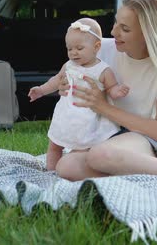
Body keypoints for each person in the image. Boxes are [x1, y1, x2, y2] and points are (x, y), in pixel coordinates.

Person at [52, 0, 157, 183]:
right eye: (116, 23)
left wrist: (103, 107)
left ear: (147, 34)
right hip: (104, 133)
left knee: (100, 155)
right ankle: (141, 174)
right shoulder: (101, 49)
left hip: (141, 139)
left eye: (125, 29)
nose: (113, 32)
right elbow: (70, 74)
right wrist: (64, 85)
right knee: (66, 166)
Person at [28, 18, 130, 171]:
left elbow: (111, 87)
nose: (73, 53)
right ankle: (50, 172)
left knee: (83, 148)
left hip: (88, 118)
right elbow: (56, 80)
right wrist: (41, 90)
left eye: (79, 48)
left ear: (96, 47)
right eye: (70, 49)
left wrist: (117, 92)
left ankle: (74, 168)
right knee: (55, 145)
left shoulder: (103, 70)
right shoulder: (68, 65)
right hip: (65, 114)